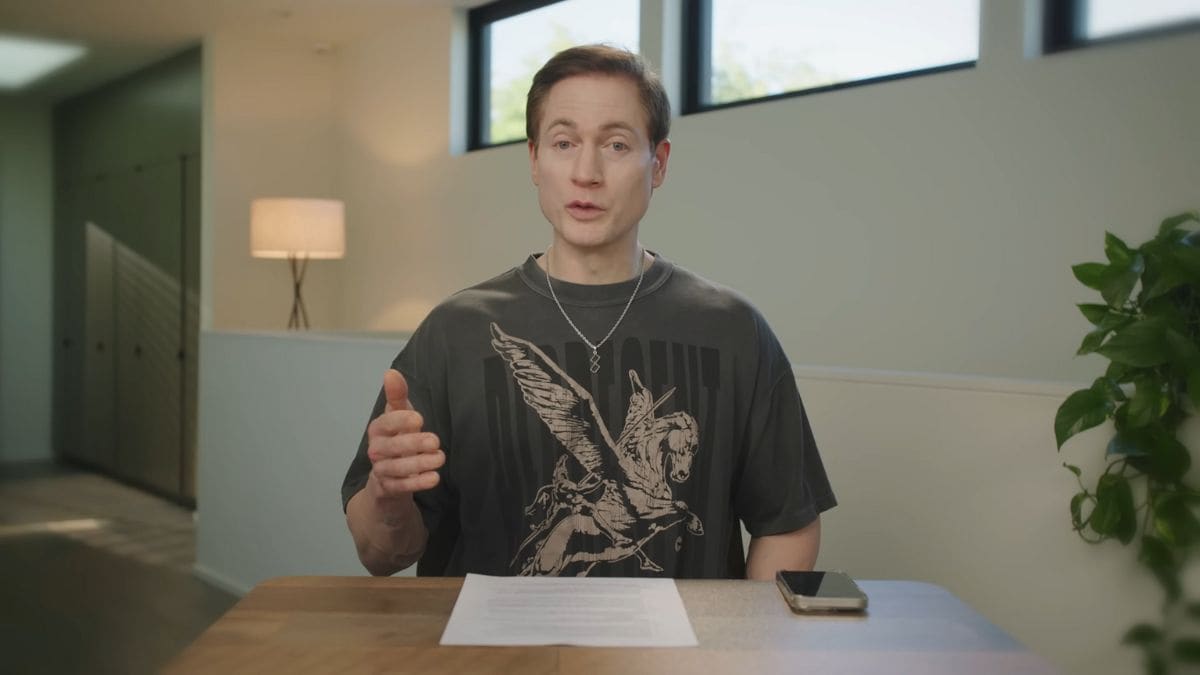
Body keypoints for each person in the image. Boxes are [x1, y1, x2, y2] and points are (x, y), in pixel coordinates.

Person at [342, 44, 835, 580]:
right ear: (535, 159)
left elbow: (787, 524)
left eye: (616, 144)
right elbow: (380, 555)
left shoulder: (734, 329)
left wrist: (737, 632)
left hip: (679, 640)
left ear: (659, 163)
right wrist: (388, 499)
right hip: (490, 637)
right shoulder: (453, 331)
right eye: (564, 142)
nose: (586, 172)